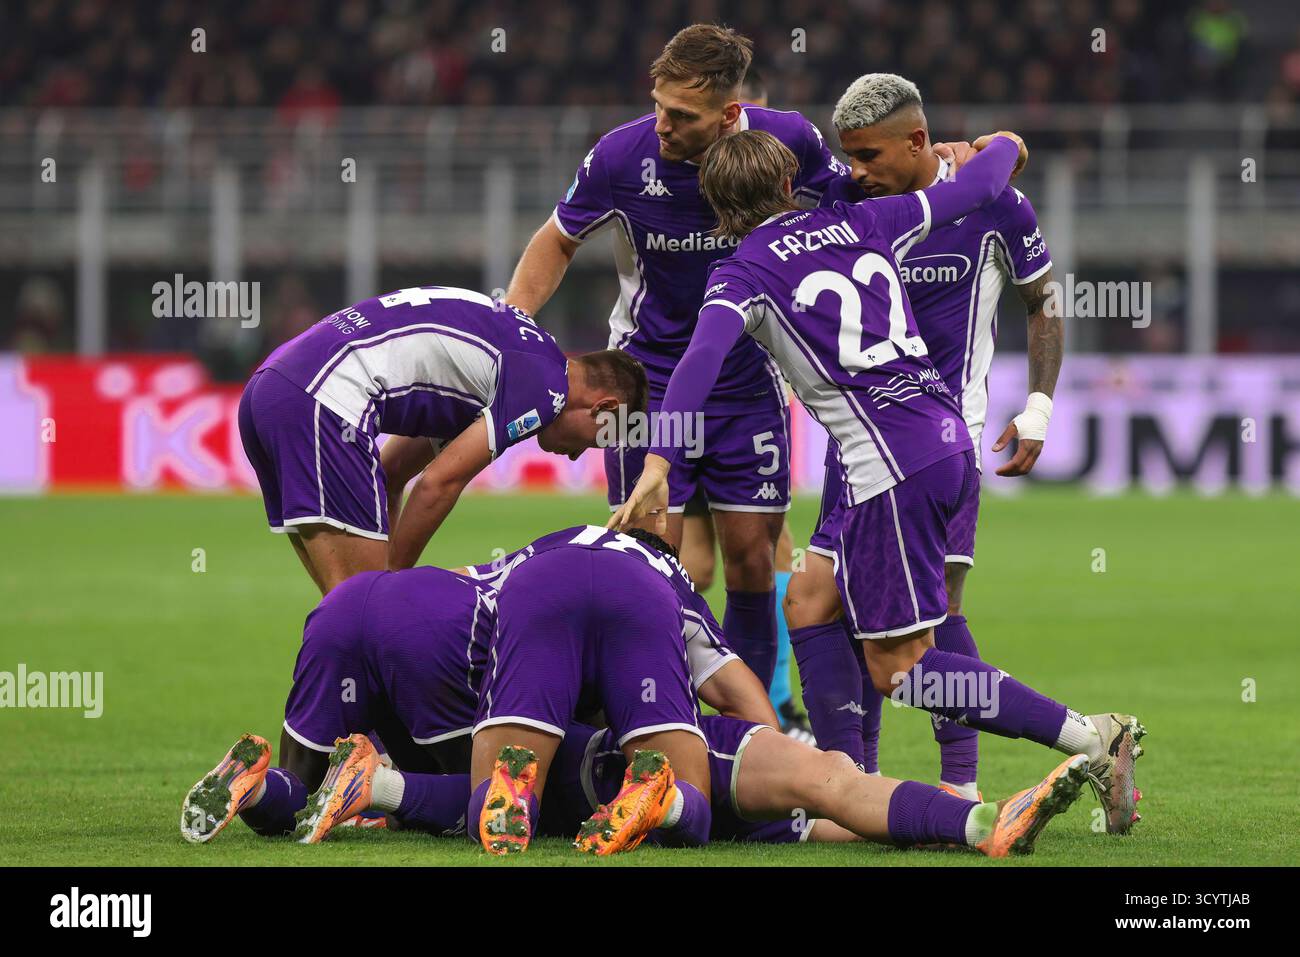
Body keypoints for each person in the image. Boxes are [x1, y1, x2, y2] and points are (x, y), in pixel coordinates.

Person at [609, 128, 1146, 836]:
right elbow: (980, 187)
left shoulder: (739, 274)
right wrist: (1006, 145)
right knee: (808, 597)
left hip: (890, 464)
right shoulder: (862, 218)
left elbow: (695, 366)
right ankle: (849, 784)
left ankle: (1088, 736)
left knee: (900, 668)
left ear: (718, 211)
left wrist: (658, 463)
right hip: (942, 438)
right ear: (784, 185)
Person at [504, 24, 851, 692]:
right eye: (658, 105)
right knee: (648, 559)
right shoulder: (619, 156)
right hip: (647, 382)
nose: (661, 124)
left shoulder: (790, 141)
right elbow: (557, 239)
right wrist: (513, 322)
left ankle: (750, 731)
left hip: (748, 381)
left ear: (729, 114)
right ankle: (658, 710)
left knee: (752, 560)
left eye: (681, 116)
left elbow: (856, 205)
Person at [783, 74, 1063, 800]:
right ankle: (856, 781)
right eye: (849, 156)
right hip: (860, 439)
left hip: (944, 440)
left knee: (937, 605)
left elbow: (1044, 301)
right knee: (826, 599)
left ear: (916, 141)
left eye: (869, 154)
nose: (855, 171)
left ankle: (960, 784)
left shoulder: (994, 202)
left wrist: (1038, 405)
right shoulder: (851, 203)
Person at [179, 527, 776, 846]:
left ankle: (255, 788)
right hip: (442, 633)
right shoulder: (661, 581)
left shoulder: (545, 549)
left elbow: (459, 583)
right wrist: (768, 762)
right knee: (509, 794)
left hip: (360, 600)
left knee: (301, 792)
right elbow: (737, 691)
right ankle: (379, 786)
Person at [238, 285, 645, 594]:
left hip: (271, 388)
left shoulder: (517, 352)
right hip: (325, 398)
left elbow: (393, 472)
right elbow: (440, 483)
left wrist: (386, 578)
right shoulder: (547, 388)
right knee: (363, 614)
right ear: (602, 408)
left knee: (347, 609)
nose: (575, 457)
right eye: (593, 442)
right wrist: (393, 587)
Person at [541, 714, 1089, 857]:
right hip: (676, 751)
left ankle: (949, 826)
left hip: (578, 793)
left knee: (821, 825)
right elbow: (729, 682)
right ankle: (981, 822)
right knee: (828, 778)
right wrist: (771, 745)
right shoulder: (654, 584)